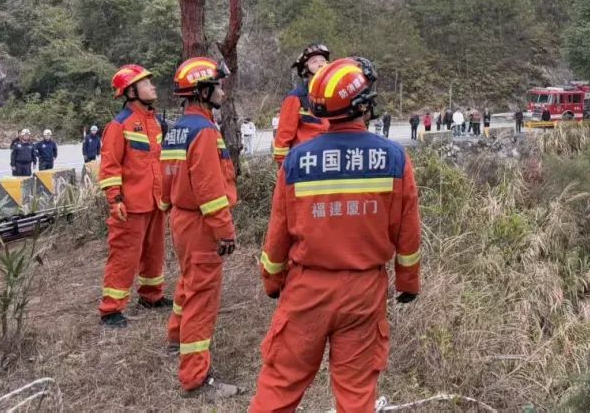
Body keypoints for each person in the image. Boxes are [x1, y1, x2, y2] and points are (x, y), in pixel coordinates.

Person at [251, 56, 421, 413]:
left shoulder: (298, 160)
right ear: (364, 104)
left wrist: (272, 281)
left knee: (281, 382)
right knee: (356, 392)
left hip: (306, 290)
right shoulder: (393, 158)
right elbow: (407, 234)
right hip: (364, 292)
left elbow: (278, 234)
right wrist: (408, 283)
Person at [161, 57, 240, 399]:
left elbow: (164, 181)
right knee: (202, 296)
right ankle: (196, 377)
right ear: (204, 91)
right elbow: (211, 191)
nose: (222, 90)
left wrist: (170, 209)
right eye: (217, 85)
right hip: (201, 222)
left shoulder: (178, 128)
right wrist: (225, 232)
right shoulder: (205, 131)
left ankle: (176, 338)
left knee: (188, 280)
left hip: (180, 217)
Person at [98, 64, 169, 328]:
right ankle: (110, 309)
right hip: (130, 205)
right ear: (130, 91)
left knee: (154, 251)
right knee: (124, 255)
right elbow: (110, 166)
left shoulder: (154, 122)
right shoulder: (119, 125)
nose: (152, 86)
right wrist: (115, 199)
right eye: (146, 83)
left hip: (155, 201)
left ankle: (151, 296)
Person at [273, 43, 331, 166]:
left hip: (330, 162)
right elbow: (282, 139)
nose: (320, 64)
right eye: (314, 61)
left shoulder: (335, 96)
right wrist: (285, 170)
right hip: (305, 164)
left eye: (323, 60)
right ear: (305, 68)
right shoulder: (296, 98)